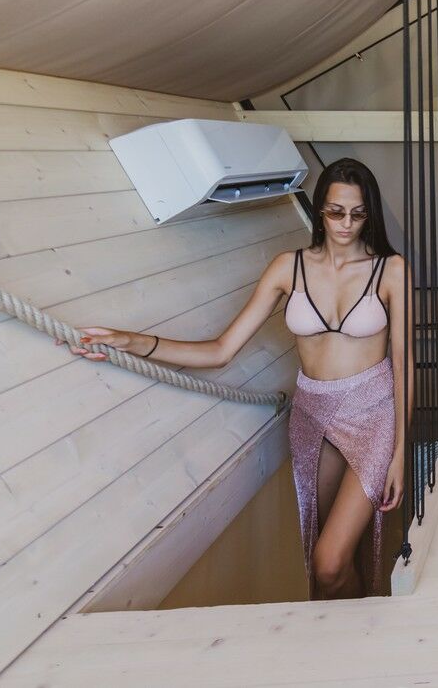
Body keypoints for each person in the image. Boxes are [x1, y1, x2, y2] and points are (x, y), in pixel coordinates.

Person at [69, 158, 410, 600]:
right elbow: (220, 350)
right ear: (319, 209)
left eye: (358, 214)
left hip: (373, 415)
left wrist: (400, 452)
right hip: (313, 415)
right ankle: (345, 632)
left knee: (330, 561)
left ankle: (359, 624)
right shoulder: (288, 267)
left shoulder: (391, 270)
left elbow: (403, 364)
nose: (346, 224)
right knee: (327, 558)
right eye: (335, 211)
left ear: (369, 214)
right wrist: (130, 341)